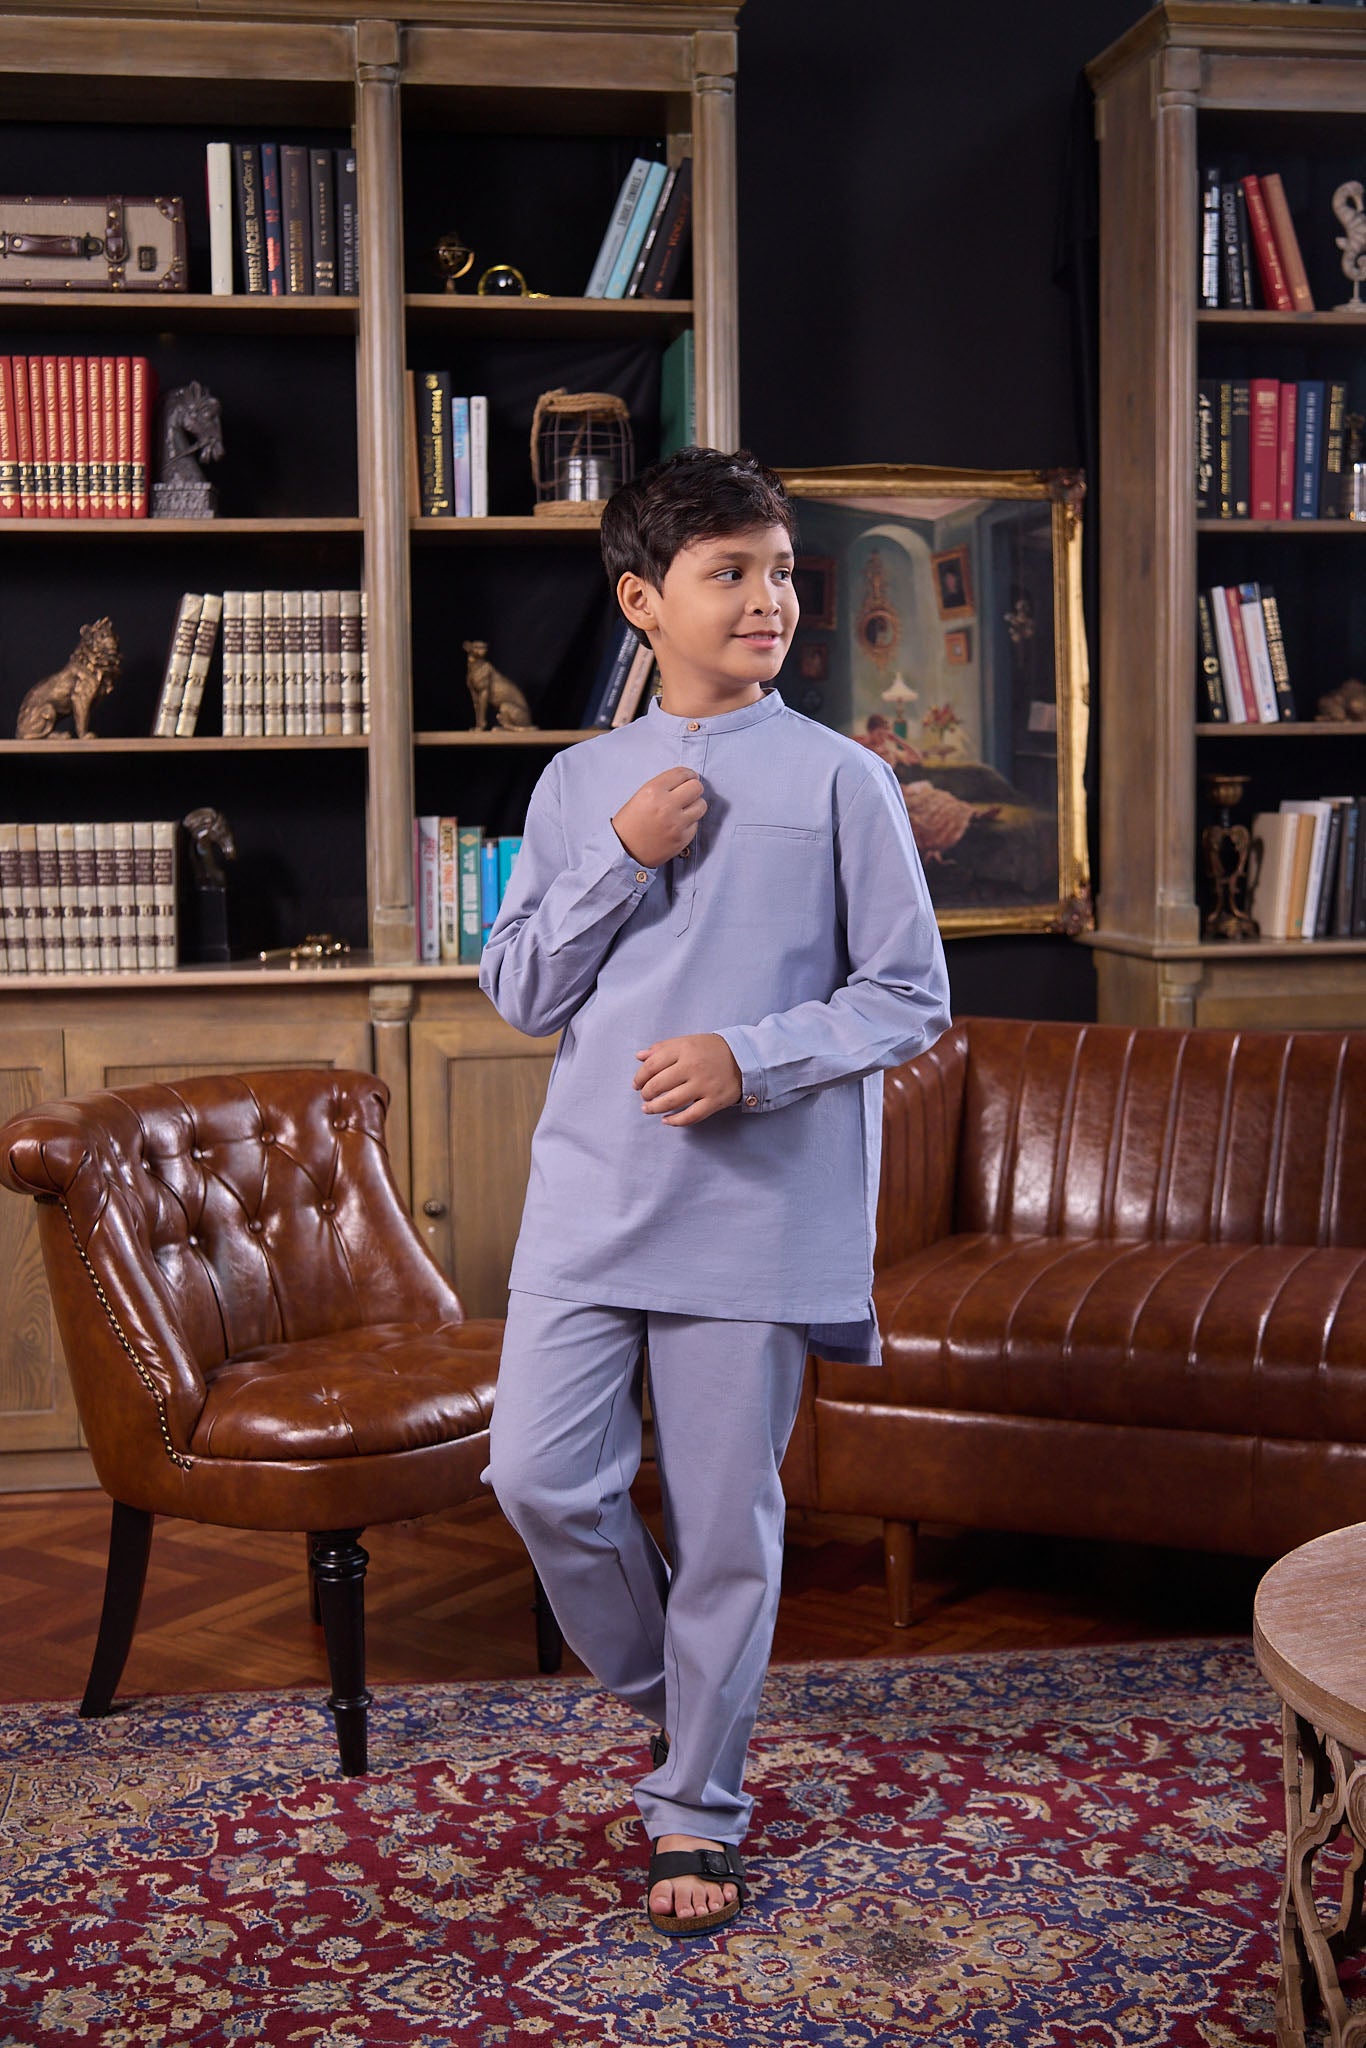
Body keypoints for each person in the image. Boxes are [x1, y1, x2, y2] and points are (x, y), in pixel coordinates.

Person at [479, 446, 951, 1939]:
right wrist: (618, 861)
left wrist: (748, 1057)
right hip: (588, 1203)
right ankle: (689, 1700)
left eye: (781, 570)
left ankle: (697, 1806)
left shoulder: (841, 779)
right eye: (727, 572)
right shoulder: (577, 786)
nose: (768, 599)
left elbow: (906, 995)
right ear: (642, 600)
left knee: (730, 1527)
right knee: (539, 1481)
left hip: (750, 1208)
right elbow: (519, 991)